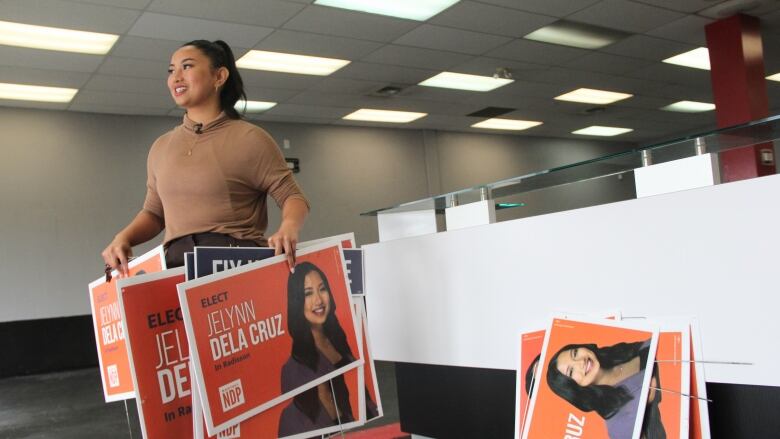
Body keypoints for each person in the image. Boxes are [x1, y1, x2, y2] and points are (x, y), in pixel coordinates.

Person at [101, 39, 308, 272]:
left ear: (219, 76)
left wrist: (288, 227)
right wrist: (123, 238)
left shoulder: (250, 138)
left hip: (234, 261)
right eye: (171, 70)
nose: (176, 77)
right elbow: (154, 213)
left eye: (187, 67)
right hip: (176, 263)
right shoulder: (161, 146)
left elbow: (292, 196)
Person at [278, 262, 356, 436]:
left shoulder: (339, 340)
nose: (318, 301)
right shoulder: (293, 368)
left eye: (322, 289)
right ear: (297, 301)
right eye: (308, 293)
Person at [546, 340, 666, 439]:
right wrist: (650, 409)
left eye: (575, 353)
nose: (580, 362)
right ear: (573, 388)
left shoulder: (623, 352)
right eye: (571, 371)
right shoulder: (618, 425)